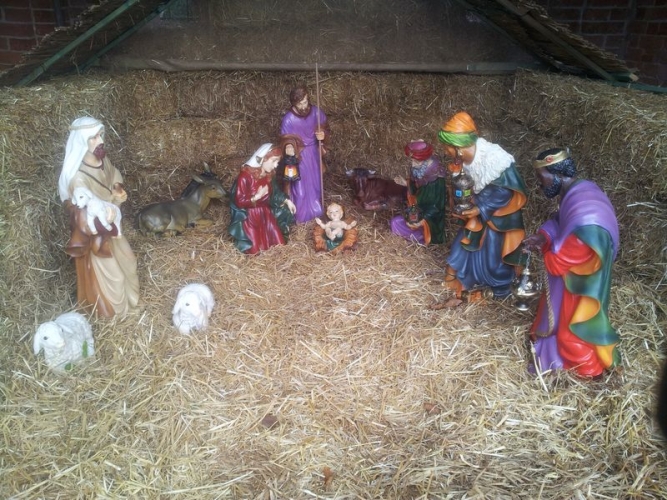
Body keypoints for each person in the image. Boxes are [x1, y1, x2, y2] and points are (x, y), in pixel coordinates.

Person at [523, 148, 621, 377]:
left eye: (542, 177)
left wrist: (548, 253)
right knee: (562, 323)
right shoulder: (578, 191)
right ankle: (555, 355)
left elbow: (565, 256)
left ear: (558, 174)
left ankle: (587, 371)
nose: (539, 183)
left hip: (582, 284)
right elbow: (563, 221)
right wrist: (544, 237)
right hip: (576, 277)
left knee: (574, 331)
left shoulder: (585, 212)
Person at [437, 111, 526, 299]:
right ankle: (458, 277)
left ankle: (496, 289)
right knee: (465, 240)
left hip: (499, 217)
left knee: (492, 255)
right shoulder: (462, 160)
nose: (445, 152)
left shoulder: (495, 160)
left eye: (447, 148)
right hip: (478, 213)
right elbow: (464, 187)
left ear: (458, 148)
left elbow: (504, 192)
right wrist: (456, 180)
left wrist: (479, 209)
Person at [58, 116, 139, 318]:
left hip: (113, 227)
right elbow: (80, 194)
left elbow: (114, 174)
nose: (100, 141)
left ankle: (133, 304)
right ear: (81, 142)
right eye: (93, 137)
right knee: (115, 277)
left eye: (100, 135)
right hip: (98, 235)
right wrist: (100, 206)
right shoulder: (77, 175)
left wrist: (116, 189)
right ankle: (117, 314)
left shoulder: (103, 161)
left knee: (129, 262)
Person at [228, 143, 296, 254]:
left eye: (277, 162)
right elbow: (239, 201)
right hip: (251, 217)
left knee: (279, 244)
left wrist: (287, 201)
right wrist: (256, 197)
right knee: (254, 250)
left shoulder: (269, 176)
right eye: (273, 161)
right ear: (263, 159)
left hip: (266, 214)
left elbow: (275, 193)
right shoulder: (245, 177)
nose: (275, 165)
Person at [280, 85, 328, 223]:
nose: (303, 106)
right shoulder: (288, 119)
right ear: (293, 103)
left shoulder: (316, 113)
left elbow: (325, 128)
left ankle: (316, 211)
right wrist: (289, 146)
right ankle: (301, 214)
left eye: (305, 101)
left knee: (316, 184)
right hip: (299, 156)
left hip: (313, 153)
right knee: (299, 186)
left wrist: (322, 135)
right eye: (300, 103)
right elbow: (285, 138)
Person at [390, 140, 447, 245]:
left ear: (425, 160)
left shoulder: (435, 179)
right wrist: (406, 183)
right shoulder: (417, 169)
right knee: (395, 222)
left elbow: (436, 207)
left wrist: (422, 220)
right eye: (412, 160)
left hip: (429, 220)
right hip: (416, 211)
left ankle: (422, 238)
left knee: (419, 230)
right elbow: (415, 189)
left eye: (416, 161)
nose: (413, 164)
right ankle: (414, 237)